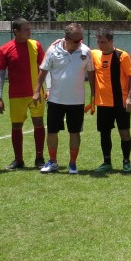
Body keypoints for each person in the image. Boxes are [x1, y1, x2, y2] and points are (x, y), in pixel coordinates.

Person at [33, 23, 95, 174]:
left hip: (76, 102)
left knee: (75, 132)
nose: (79, 42)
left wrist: (93, 95)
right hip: (55, 100)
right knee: (52, 132)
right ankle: (52, 162)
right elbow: (43, 71)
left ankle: (72, 164)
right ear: (66, 38)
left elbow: (92, 73)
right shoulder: (53, 50)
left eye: (81, 39)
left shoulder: (86, 52)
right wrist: (36, 91)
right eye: (76, 40)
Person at [0, 17, 47, 170]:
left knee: (38, 122)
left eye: (30, 28)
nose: (29, 31)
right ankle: (18, 160)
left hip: (36, 93)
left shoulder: (36, 45)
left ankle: (39, 158)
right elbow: (0, 74)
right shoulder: (5, 49)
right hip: (16, 95)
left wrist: (48, 88)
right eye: (26, 29)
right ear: (16, 31)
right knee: (16, 125)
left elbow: (45, 68)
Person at [89, 29, 131, 174]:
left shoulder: (122, 56)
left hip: (120, 103)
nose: (100, 44)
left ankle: (126, 161)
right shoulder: (94, 54)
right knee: (104, 133)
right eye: (98, 41)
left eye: (103, 42)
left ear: (111, 41)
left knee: (124, 132)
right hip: (103, 103)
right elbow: (78, 47)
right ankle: (107, 162)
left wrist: (130, 97)